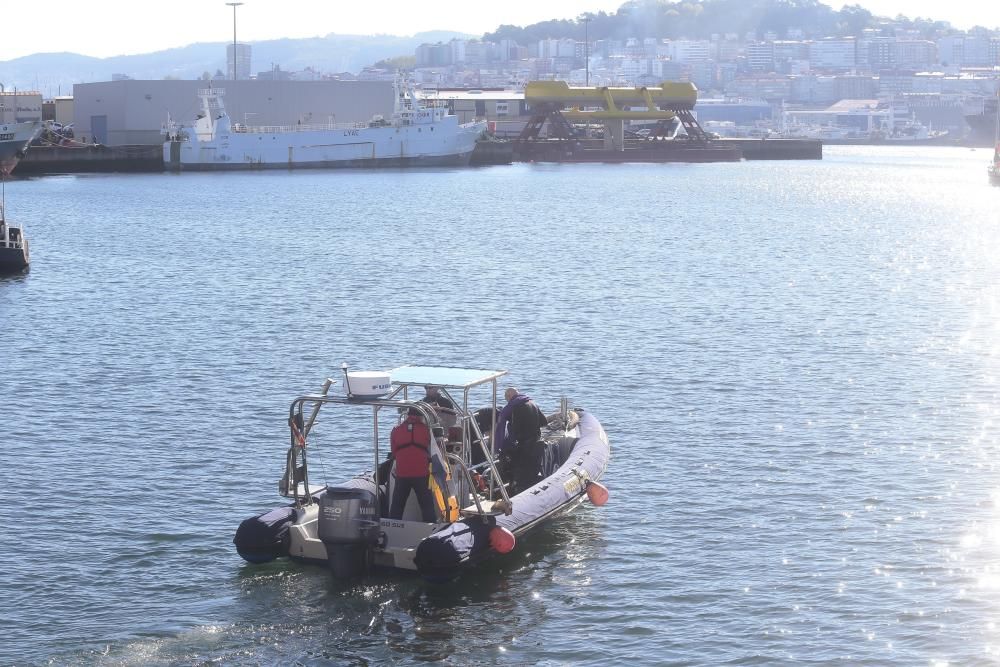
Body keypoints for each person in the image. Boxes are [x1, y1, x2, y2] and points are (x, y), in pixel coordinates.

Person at [495, 387, 549, 493]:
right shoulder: (532, 402)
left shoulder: (512, 408)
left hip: (524, 446)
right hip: (537, 442)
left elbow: (507, 430)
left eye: (506, 399)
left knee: (509, 459)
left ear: (509, 397)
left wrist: (499, 447)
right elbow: (544, 422)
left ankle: (512, 486)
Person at [388, 408, 437, 522]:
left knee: (397, 506)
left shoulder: (396, 430)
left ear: (407, 415)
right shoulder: (426, 430)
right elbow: (434, 450)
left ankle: (392, 529)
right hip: (422, 474)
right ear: (421, 417)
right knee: (427, 506)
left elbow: (394, 452)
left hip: (402, 474)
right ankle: (431, 530)